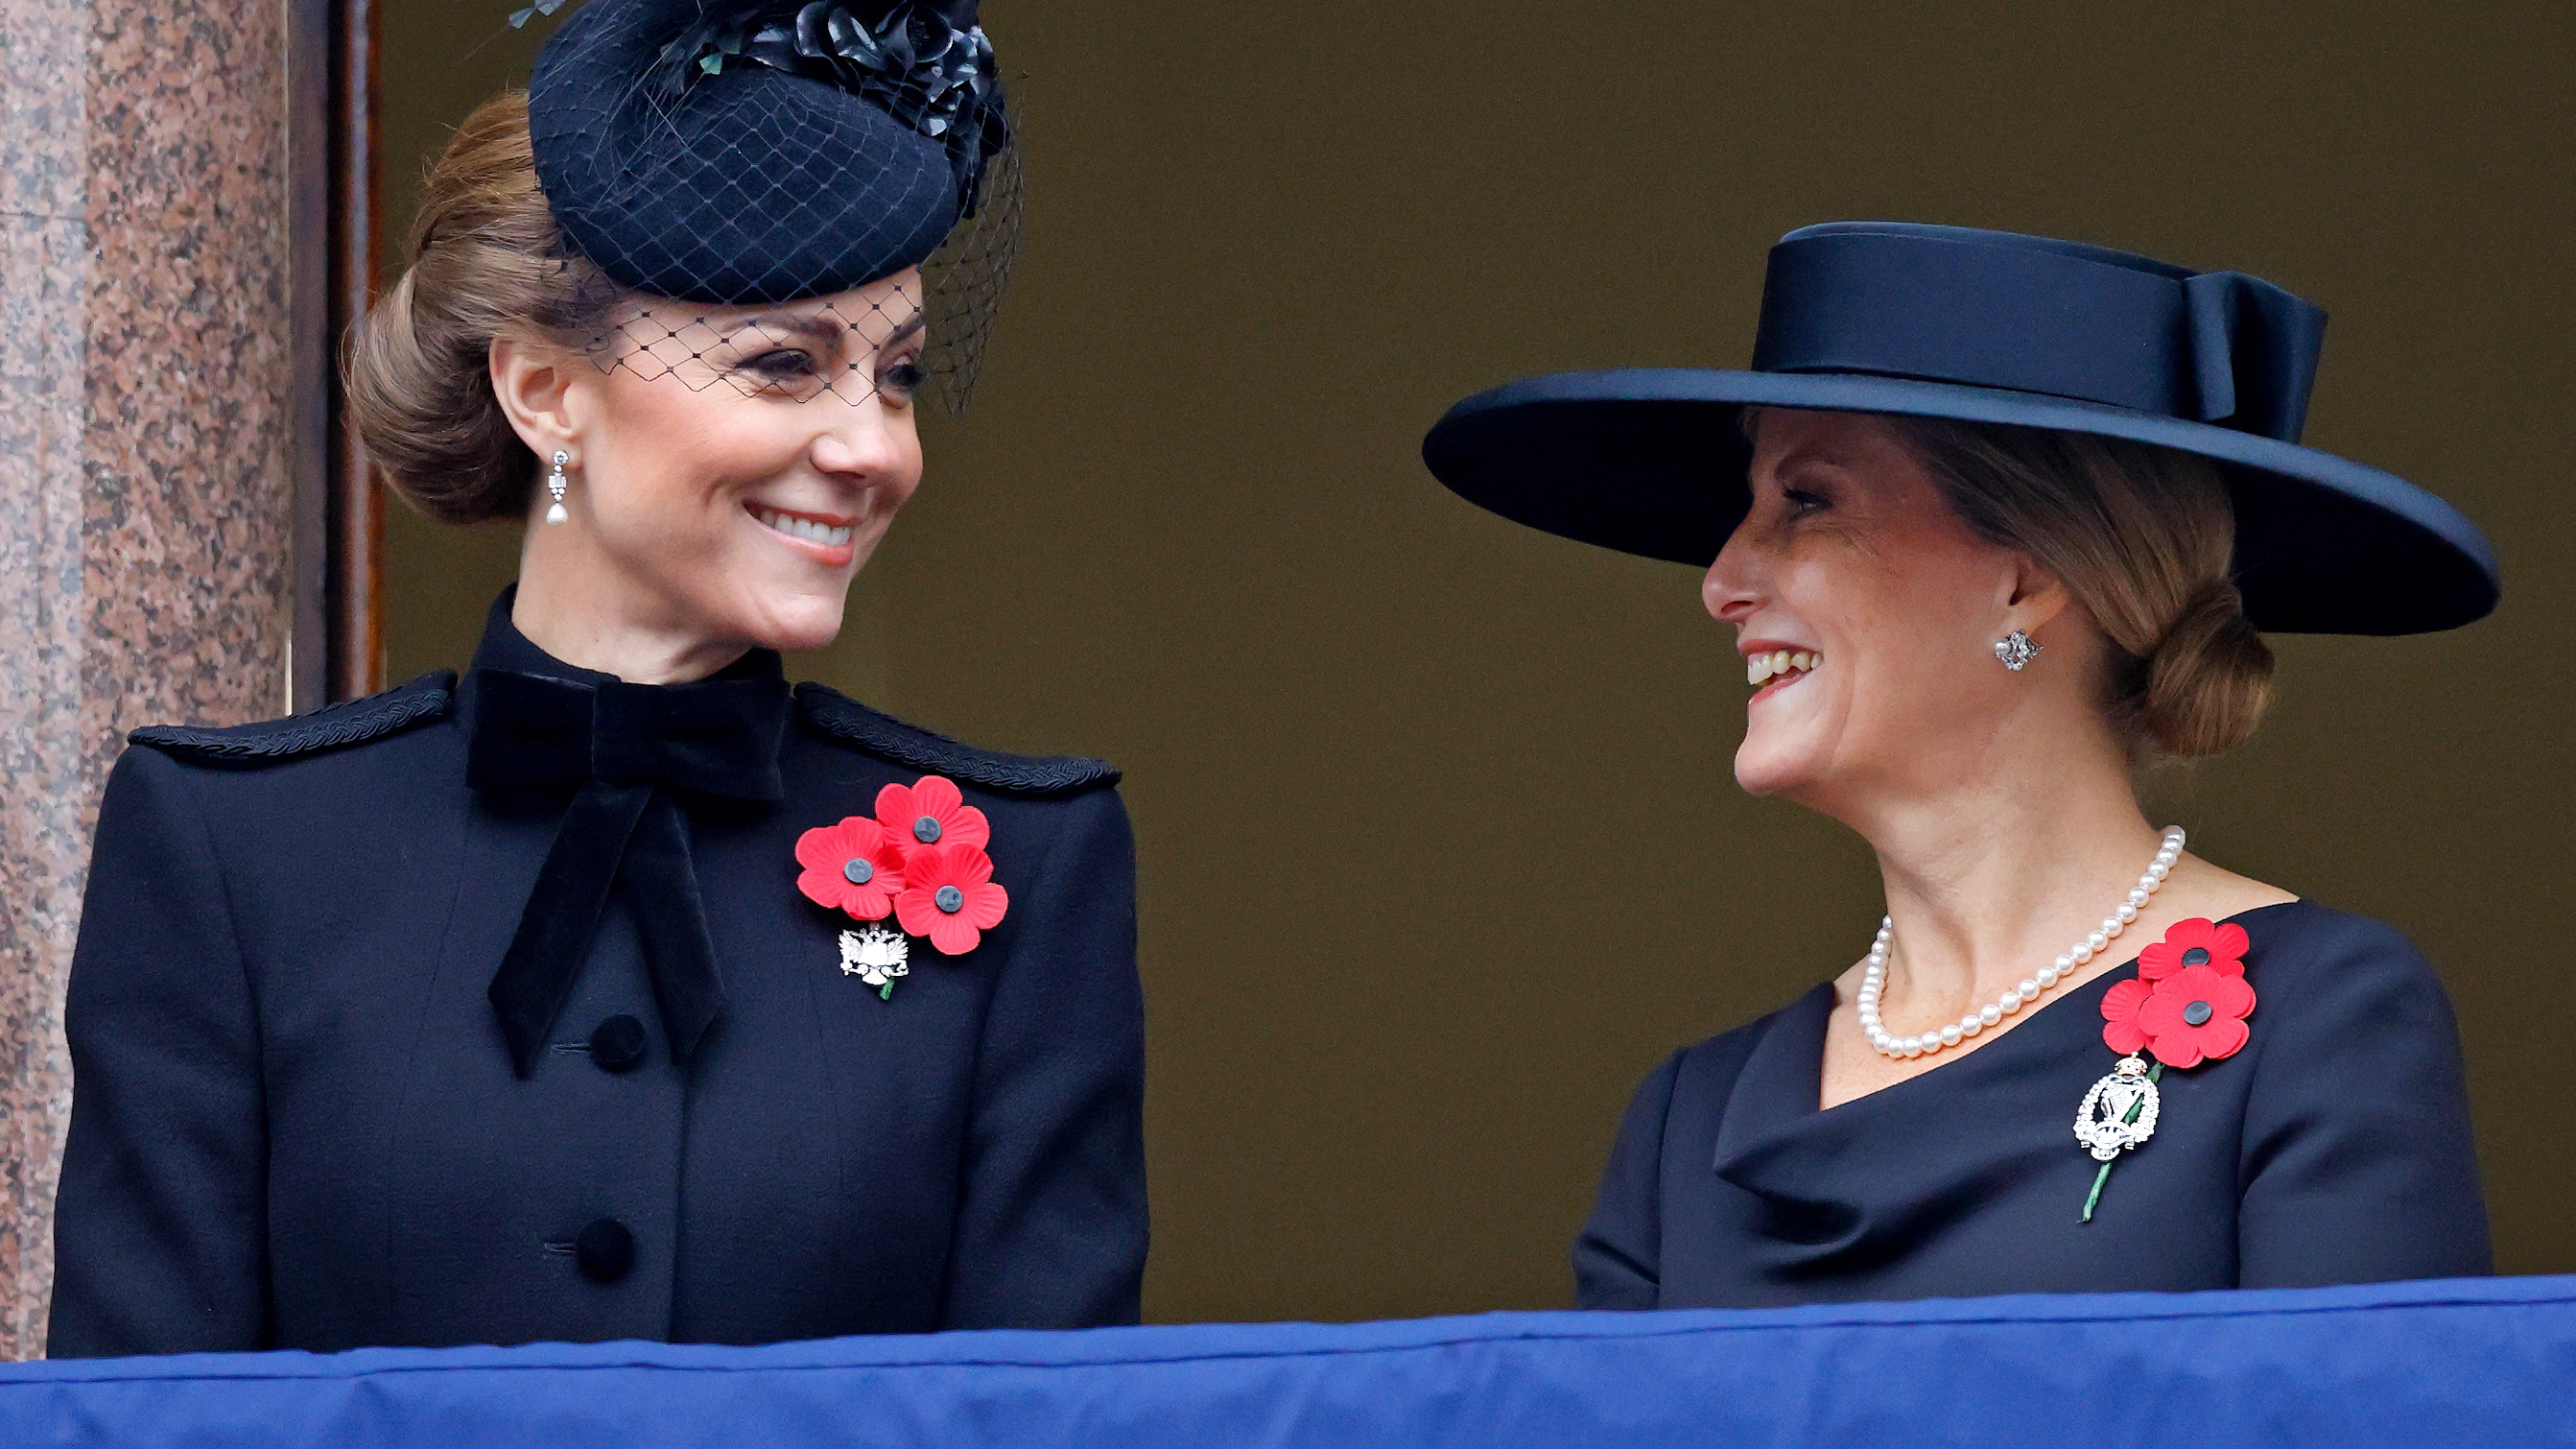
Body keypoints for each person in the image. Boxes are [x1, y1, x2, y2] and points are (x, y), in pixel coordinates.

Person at [48, 0, 1146, 1356]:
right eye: (783, 364)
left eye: (898, 374)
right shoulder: (234, 854)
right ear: (545, 391)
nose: (873, 447)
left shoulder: (1032, 868)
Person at [1422, 223, 2499, 1309]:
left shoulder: (2320, 1019)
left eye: (1806, 500)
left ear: (2025, 582)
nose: (1722, 580)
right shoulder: (1687, 1125)